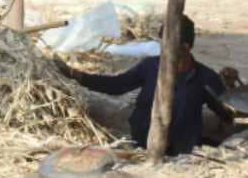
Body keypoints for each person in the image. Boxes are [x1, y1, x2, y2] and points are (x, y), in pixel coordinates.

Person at [55, 15, 237, 156]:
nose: (162, 47)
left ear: (186, 47)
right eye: (162, 42)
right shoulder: (151, 66)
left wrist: (229, 88)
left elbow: (227, 113)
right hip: (143, 143)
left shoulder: (203, 77)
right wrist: (77, 75)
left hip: (183, 151)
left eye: (168, 42)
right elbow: (117, 86)